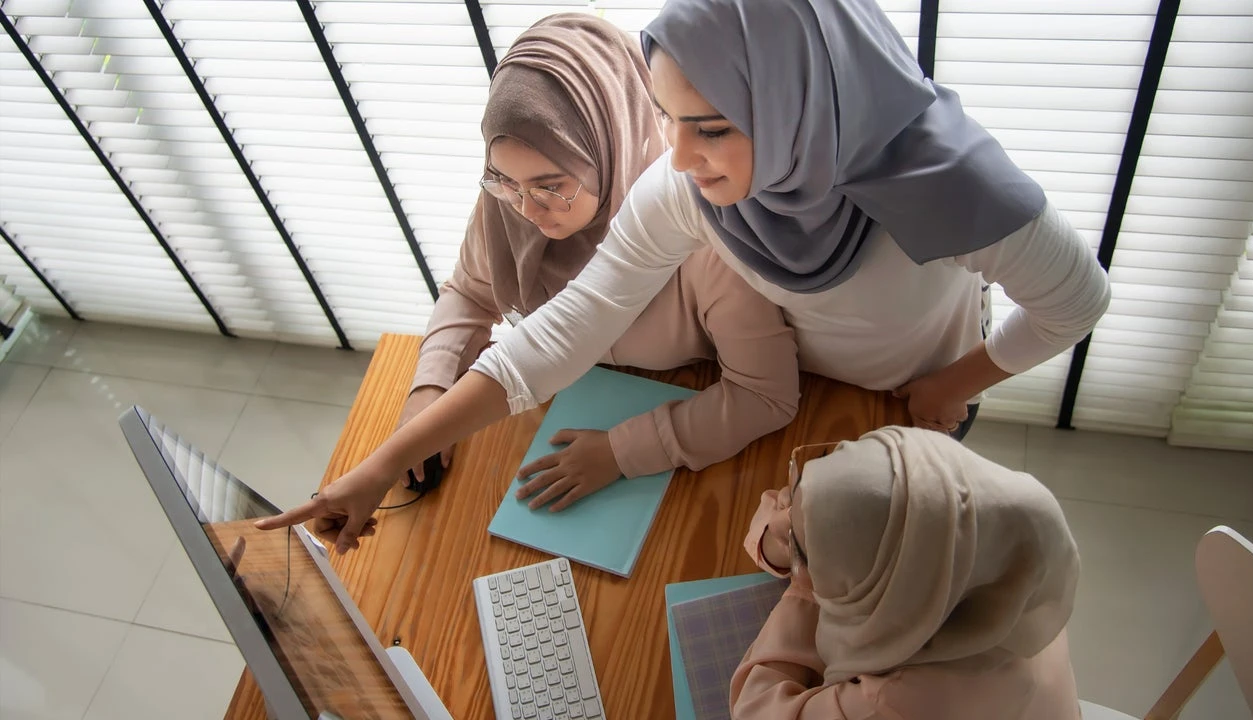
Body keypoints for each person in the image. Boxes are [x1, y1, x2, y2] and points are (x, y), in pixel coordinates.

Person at [256, 0, 1110, 553]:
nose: (677, 157)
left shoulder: (946, 184)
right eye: (665, 117)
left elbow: (1077, 300)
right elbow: (565, 330)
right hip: (802, 384)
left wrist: (955, 383)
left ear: (797, 104)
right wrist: (383, 462)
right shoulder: (691, 190)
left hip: (910, 395)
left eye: (712, 127)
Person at [391, 13, 799, 513]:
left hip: (688, 433)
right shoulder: (507, 208)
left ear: (612, 142)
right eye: (505, 181)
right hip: (555, 411)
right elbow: (469, 292)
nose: (527, 210)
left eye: (550, 186)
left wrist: (620, 452)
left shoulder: (700, 227)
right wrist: (430, 389)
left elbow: (764, 395)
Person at [734, 427, 1081, 719]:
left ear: (892, 592)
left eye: (803, 548)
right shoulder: (1015, 567)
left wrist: (804, 583)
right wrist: (805, 534)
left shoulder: (891, 700)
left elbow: (756, 710)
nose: (780, 521)